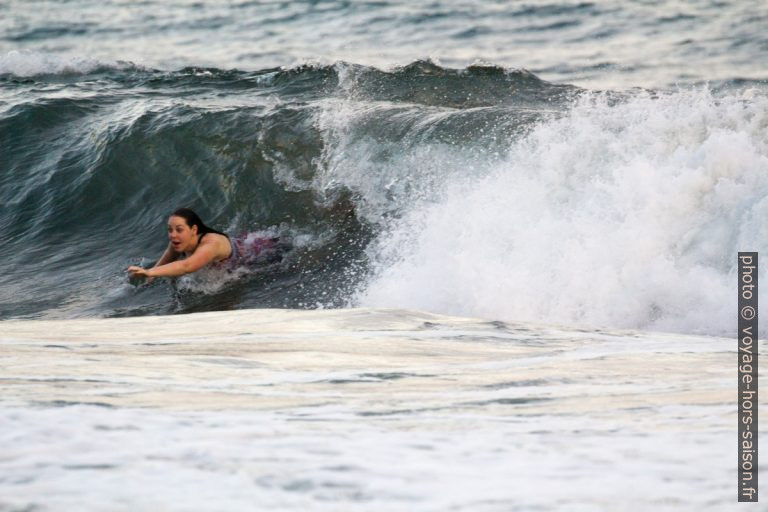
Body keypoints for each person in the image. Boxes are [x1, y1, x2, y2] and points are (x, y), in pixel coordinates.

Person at [127, 208, 237, 281]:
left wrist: (149, 272)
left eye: (179, 230)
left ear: (194, 230)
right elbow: (160, 266)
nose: (173, 235)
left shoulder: (211, 244)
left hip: (241, 259)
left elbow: (186, 266)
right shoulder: (177, 242)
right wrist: (149, 277)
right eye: (170, 230)